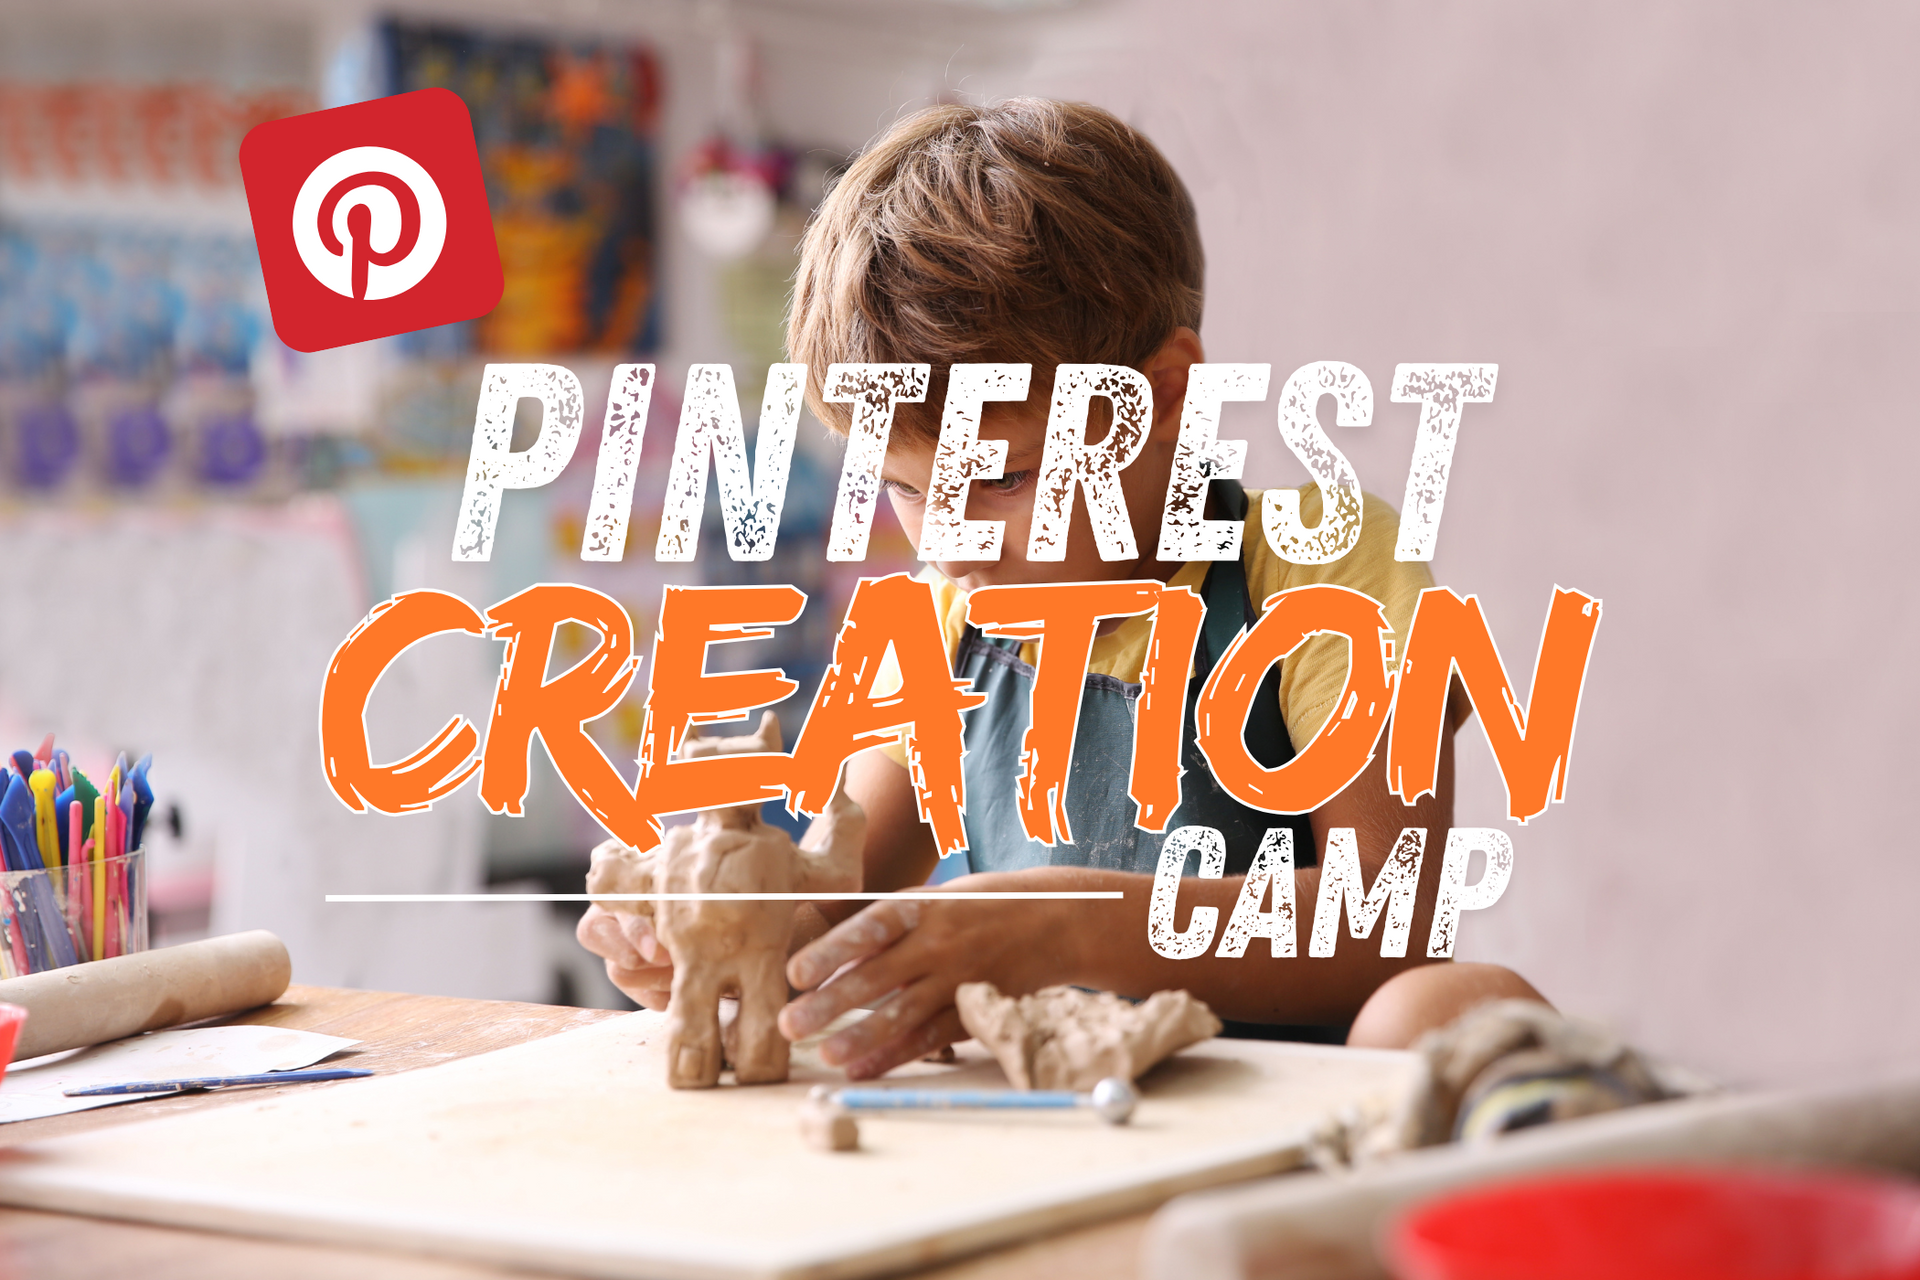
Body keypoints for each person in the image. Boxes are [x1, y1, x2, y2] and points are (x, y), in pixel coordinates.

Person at [578, 98, 1542, 1079]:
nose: (949, 543)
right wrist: (724, 932)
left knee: (1452, 1006)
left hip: (1280, 1128)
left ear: (1161, 397)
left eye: (1001, 476)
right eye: (906, 488)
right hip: (1033, 1135)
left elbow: (1389, 915)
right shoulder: (946, 617)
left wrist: (1063, 924)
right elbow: (839, 904)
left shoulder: (1316, 564)